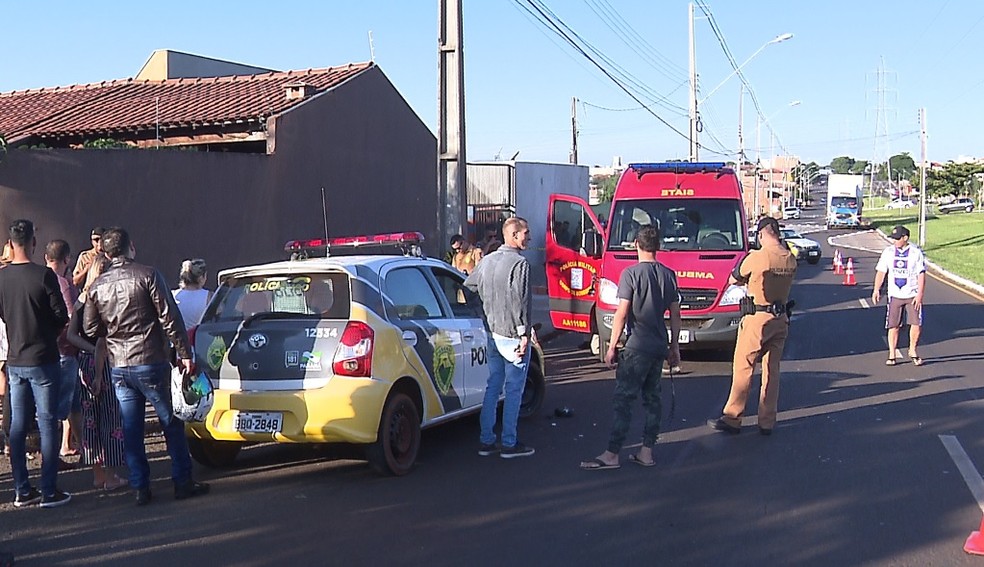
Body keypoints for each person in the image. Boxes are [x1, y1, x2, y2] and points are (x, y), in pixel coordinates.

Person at [84, 227, 209, 506]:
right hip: (150, 358)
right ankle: (182, 481)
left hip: (120, 364)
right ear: (131, 247)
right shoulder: (148, 275)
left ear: (105, 252)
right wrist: (185, 353)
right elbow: (169, 317)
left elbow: (90, 327)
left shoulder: (97, 285)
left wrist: (112, 330)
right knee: (170, 421)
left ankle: (141, 486)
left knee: (131, 427)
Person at [579, 225, 681, 470]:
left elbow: (622, 313)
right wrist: (674, 346)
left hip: (637, 346)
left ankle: (612, 454)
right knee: (652, 399)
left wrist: (612, 345)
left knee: (624, 400)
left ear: (636, 244)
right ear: (658, 246)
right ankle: (647, 452)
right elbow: (675, 313)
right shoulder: (669, 275)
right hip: (658, 345)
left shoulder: (630, 274)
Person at [0, 219, 72, 508]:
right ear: (33, 241)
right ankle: (49, 489)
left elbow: (3, 314)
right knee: (47, 422)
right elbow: (60, 316)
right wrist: (48, 333)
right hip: (43, 357)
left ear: (11, 242)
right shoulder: (44, 276)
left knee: (17, 425)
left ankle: (21, 489)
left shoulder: (2, 278)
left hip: (16, 358)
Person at [708, 216, 796, 436]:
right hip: (780, 319)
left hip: (757, 318)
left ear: (762, 234)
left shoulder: (758, 257)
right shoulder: (789, 258)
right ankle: (767, 421)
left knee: (744, 367)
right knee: (771, 371)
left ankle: (733, 417)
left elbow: (733, 278)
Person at [465, 217, 535, 459]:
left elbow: (468, 287)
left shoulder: (487, 261)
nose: (529, 237)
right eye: (526, 233)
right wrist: (524, 332)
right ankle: (509, 442)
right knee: (514, 389)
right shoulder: (519, 264)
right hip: (512, 335)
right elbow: (520, 300)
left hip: (492, 332)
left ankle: (486, 440)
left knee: (494, 385)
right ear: (513, 235)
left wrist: (481, 315)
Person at [67, 288, 128, 491]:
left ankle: (97, 473)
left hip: (85, 362)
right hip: (107, 362)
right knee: (110, 419)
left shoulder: (80, 302)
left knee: (89, 420)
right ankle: (111, 476)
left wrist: (88, 349)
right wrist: (98, 353)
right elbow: (103, 340)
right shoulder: (106, 299)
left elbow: (71, 335)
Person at [44, 240, 82, 462]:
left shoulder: (40, 278)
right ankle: (55, 455)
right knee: (60, 406)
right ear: (67, 259)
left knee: (73, 404)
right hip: (65, 351)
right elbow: (70, 317)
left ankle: (85, 449)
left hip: (49, 349)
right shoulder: (63, 284)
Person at [872, 225, 926, 366]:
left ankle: (912, 350)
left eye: (897, 239)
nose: (894, 241)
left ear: (905, 238)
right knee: (893, 325)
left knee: (916, 323)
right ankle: (892, 353)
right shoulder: (888, 252)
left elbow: (921, 274)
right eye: (893, 239)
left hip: (912, 294)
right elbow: (881, 271)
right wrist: (876, 289)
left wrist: (919, 294)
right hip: (895, 294)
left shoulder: (916, 253)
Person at [172, 258, 210, 330]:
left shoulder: (172, 295)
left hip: (176, 340)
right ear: (202, 277)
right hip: (199, 339)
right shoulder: (209, 297)